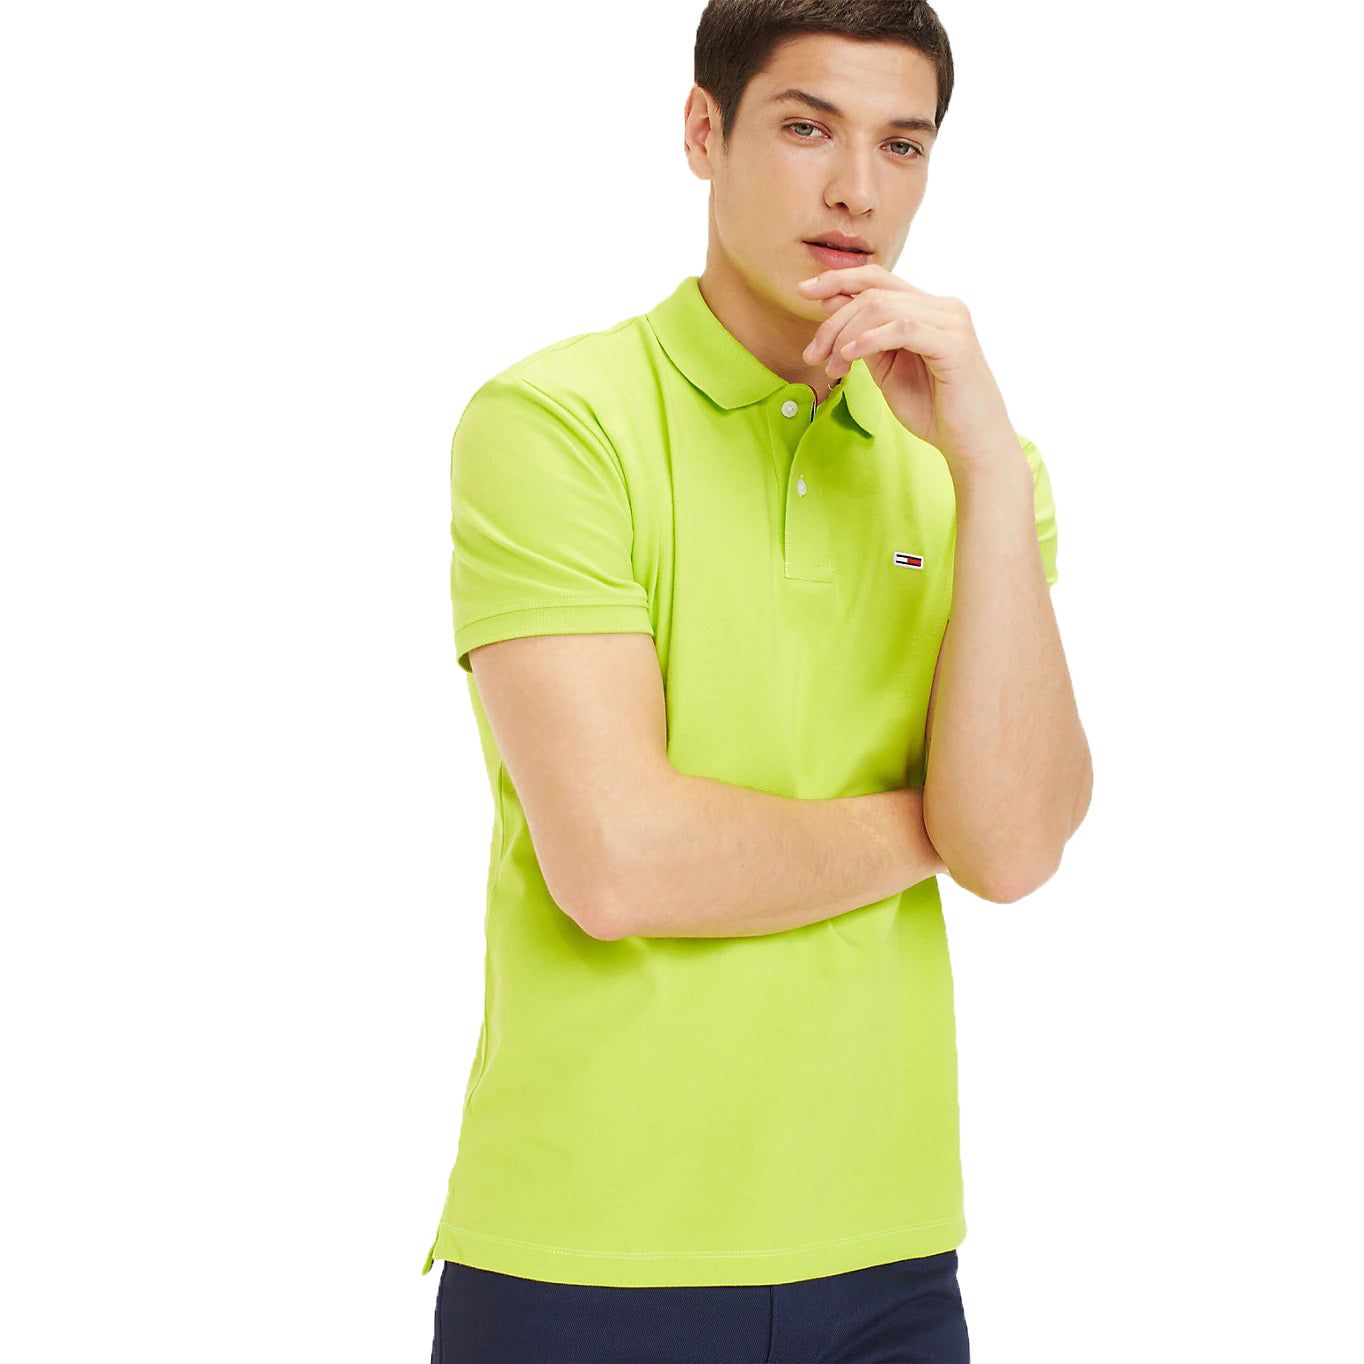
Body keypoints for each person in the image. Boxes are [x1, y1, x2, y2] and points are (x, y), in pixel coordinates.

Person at [424, 1, 1092, 1359]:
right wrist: (935, 827)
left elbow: (1019, 849)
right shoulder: (557, 423)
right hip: (589, 1249)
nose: (857, 189)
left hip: (892, 1252)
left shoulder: (982, 465)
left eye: (902, 145)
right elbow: (621, 864)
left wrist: (978, 466)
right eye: (805, 128)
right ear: (702, 131)